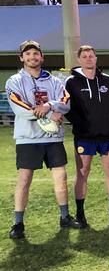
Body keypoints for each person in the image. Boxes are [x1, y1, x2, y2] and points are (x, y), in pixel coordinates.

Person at [6, 40, 82, 239]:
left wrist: (49, 105)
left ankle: (65, 216)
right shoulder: (14, 81)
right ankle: (18, 223)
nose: (32, 57)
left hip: (53, 137)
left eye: (35, 53)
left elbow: (65, 102)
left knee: (61, 177)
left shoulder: (55, 81)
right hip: (28, 138)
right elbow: (20, 108)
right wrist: (49, 114)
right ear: (22, 58)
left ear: (42, 57)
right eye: (28, 54)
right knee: (24, 180)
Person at [65, 45, 109, 226]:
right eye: (84, 56)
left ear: (96, 58)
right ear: (79, 60)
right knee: (82, 173)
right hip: (84, 137)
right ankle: (80, 214)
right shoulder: (71, 82)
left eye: (91, 56)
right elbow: (68, 108)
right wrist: (81, 124)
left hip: (107, 136)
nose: (88, 59)